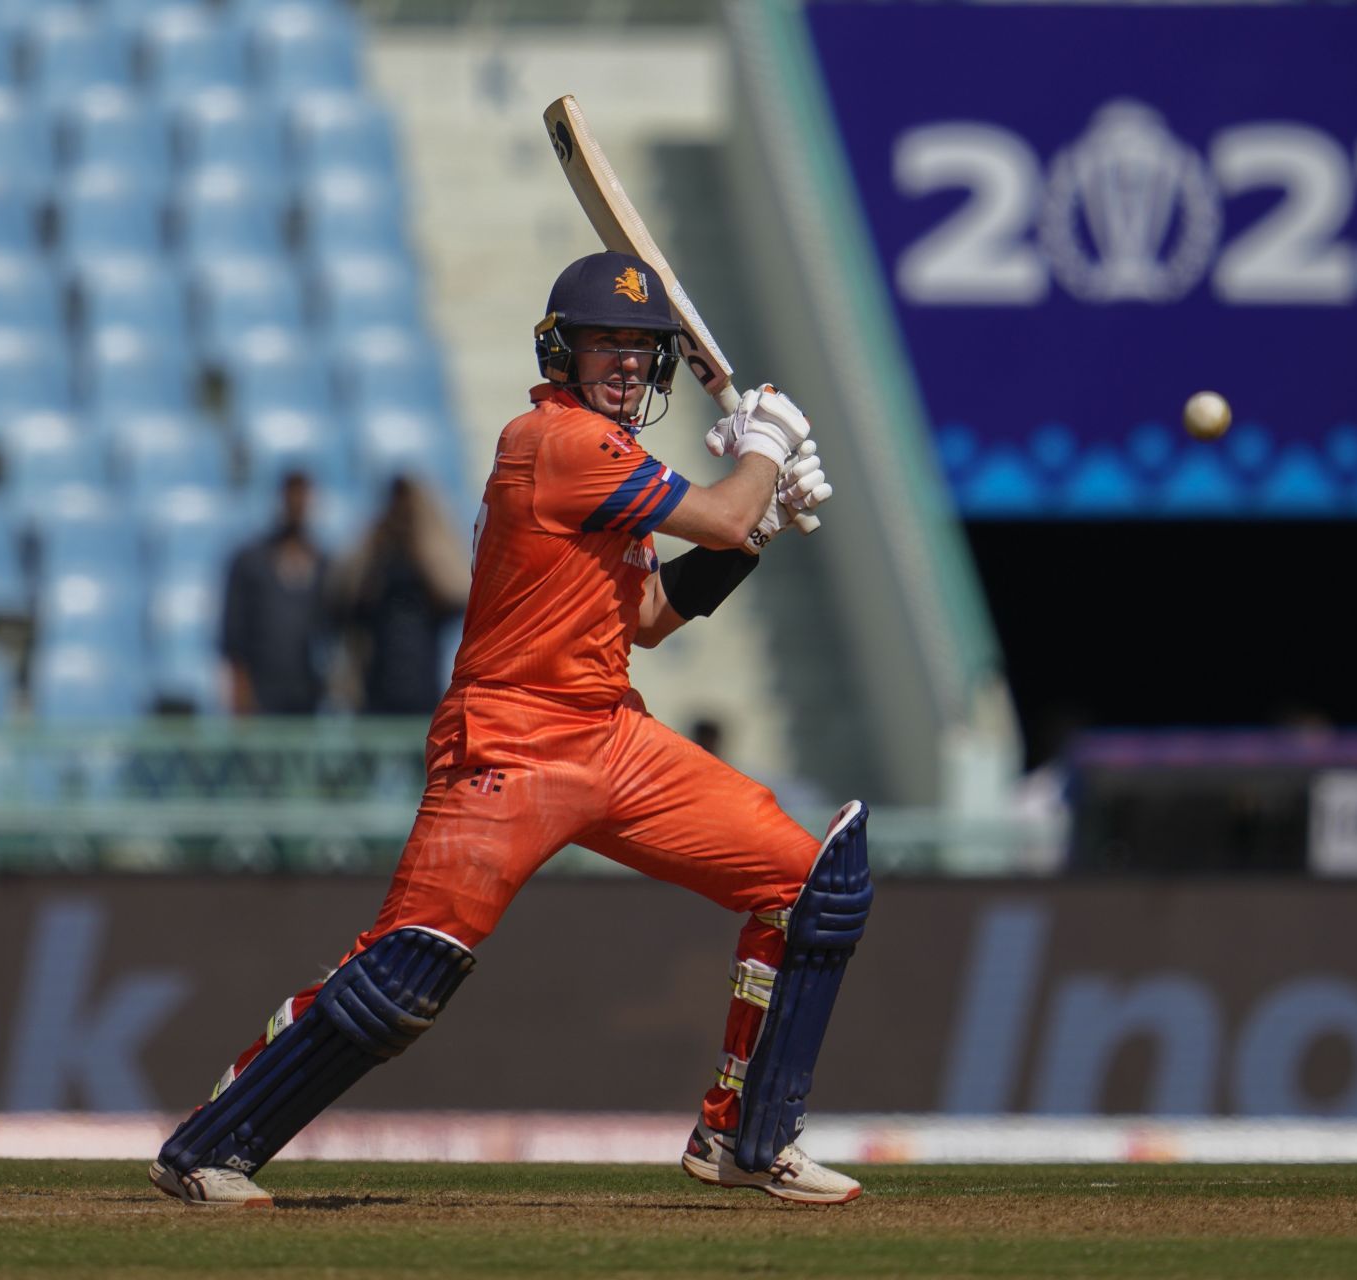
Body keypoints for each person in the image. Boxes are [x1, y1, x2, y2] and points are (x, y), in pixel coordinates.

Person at [153, 250, 869, 1207]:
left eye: (641, 348)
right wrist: (766, 451)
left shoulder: (614, 461)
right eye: (606, 343)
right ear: (563, 351)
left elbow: (647, 617)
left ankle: (745, 1135)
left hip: (610, 732)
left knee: (809, 884)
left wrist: (762, 516)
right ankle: (211, 1146)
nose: (624, 363)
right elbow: (719, 511)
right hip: (510, 744)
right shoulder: (557, 442)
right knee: (407, 970)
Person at [335, 473, 471, 715]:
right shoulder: (376, 555)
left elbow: (455, 595)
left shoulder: (429, 554)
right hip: (376, 688)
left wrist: (422, 542)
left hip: (422, 685)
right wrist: (375, 542)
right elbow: (345, 598)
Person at [217, 471, 331, 715]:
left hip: (305, 695)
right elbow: (233, 635)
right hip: (260, 694)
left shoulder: (322, 564)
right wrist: (240, 692)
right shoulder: (250, 562)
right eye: (293, 495)